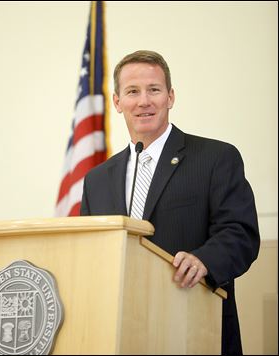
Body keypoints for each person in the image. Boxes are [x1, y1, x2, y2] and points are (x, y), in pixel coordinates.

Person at [80, 50, 260, 355]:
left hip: (194, 327)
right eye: (132, 92)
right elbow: (89, 253)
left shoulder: (216, 158)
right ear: (117, 102)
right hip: (117, 335)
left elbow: (241, 232)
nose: (144, 101)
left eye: (154, 90)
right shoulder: (96, 179)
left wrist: (205, 260)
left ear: (170, 97)